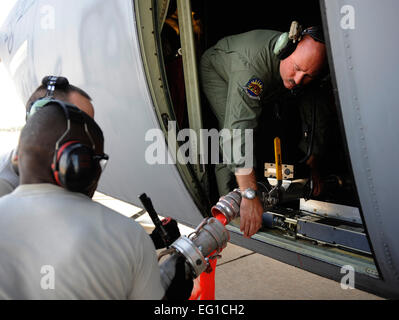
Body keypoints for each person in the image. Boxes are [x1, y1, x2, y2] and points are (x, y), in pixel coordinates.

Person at [0, 100, 192, 299]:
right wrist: (173, 290)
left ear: (17, 157)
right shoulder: (128, 236)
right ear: (79, 167)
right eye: (97, 163)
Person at [200, 23, 329, 238]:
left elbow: (317, 112)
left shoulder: (298, 70)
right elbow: (237, 130)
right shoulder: (251, 68)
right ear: (284, 50)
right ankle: (233, 209)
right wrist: (249, 195)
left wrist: (313, 162)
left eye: (307, 75)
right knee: (232, 130)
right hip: (218, 69)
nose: (298, 80)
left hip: (265, 77)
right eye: (296, 69)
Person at [0, 76, 94, 197]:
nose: (89, 135)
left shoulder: (63, 171)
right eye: (80, 124)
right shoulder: (4, 185)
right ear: (43, 120)